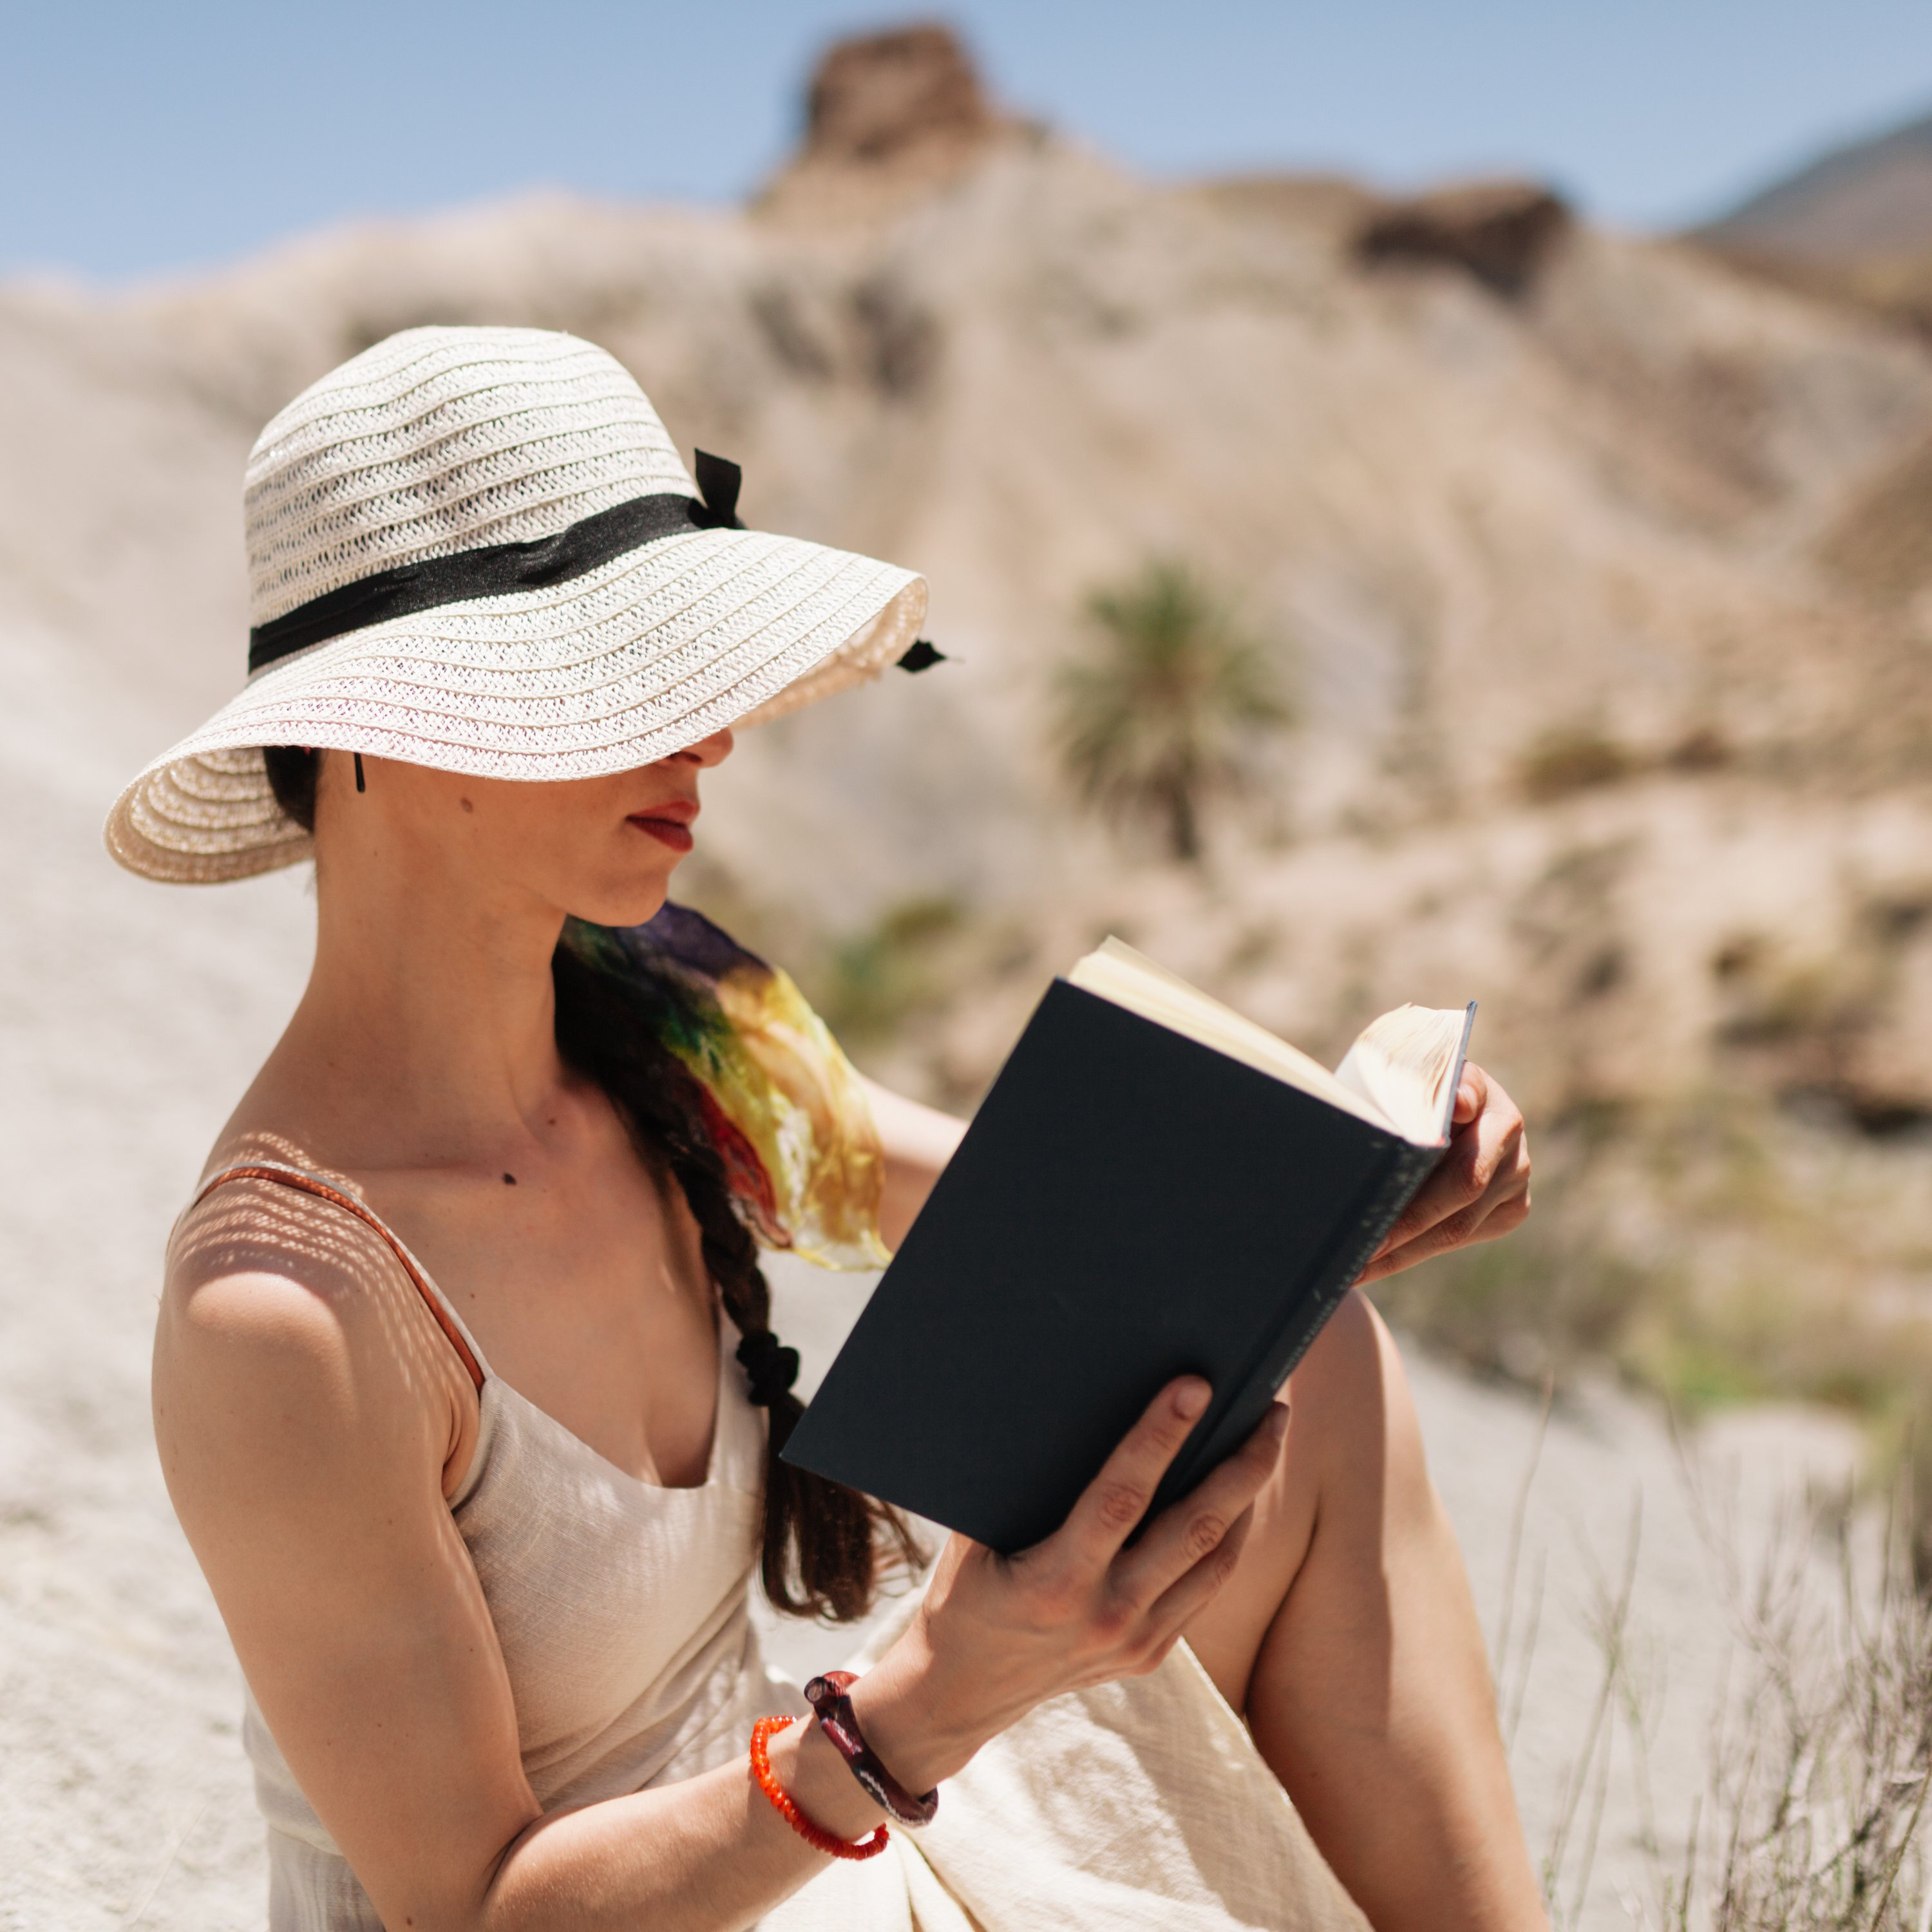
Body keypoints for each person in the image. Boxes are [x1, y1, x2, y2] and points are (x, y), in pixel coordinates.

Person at [112, 327, 1540, 1932]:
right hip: (712, 1865)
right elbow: (478, 1910)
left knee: (1330, 1361)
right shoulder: (287, 1313)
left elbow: (1046, 1215)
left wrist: (1359, 1188)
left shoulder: (652, 1014)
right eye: (614, 674)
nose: (708, 734)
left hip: (809, 1835)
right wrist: (926, 1702)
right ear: (385, 726)